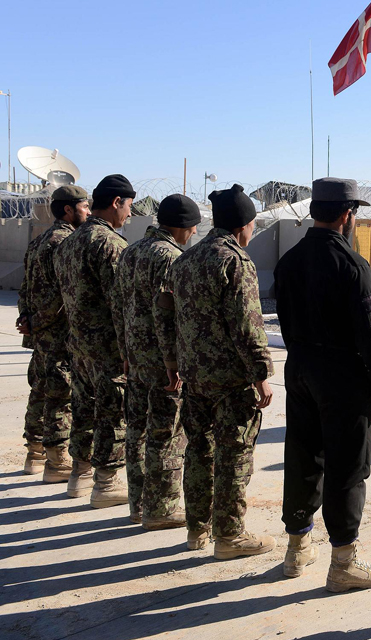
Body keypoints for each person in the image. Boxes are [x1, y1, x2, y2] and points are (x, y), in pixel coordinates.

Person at [274, 178, 371, 589]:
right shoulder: (352, 265)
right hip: (342, 376)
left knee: (304, 457)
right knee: (346, 466)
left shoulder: (289, 261)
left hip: (300, 368)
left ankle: (297, 549)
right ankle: (343, 560)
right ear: (347, 216)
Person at [162, 184, 275, 556]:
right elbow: (247, 325)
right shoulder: (235, 261)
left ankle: (197, 530)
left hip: (195, 378)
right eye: (253, 224)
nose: (252, 231)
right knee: (234, 455)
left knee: (198, 450)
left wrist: (173, 364)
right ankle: (229, 536)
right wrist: (262, 375)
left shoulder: (184, 260)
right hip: (230, 380)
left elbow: (166, 317)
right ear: (243, 225)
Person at [114, 195, 199, 528]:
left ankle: (137, 504)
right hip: (163, 365)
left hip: (135, 358)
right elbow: (169, 316)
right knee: (166, 433)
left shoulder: (130, 252)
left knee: (137, 431)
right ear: (181, 227)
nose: (193, 234)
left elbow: (118, 307)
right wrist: (173, 362)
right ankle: (161, 509)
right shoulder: (171, 258)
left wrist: (123, 352)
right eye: (192, 228)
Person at [55, 175, 134, 508]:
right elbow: (121, 303)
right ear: (116, 202)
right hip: (108, 348)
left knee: (84, 410)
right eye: (128, 207)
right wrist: (131, 350)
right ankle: (106, 482)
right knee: (112, 413)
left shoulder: (68, 243)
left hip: (79, 345)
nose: (129, 214)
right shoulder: (110, 244)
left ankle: (80, 475)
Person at [16, 186, 89, 481]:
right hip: (58, 333)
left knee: (41, 390)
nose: (88, 211)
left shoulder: (39, 241)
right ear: (68, 210)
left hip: (41, 332)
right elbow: (60, 295)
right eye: (84, 207)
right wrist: (38, 320)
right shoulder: (66, 243)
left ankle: (34, 453)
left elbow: (27, 287)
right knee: (61, 394)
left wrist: (27, 318)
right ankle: (56, 462)